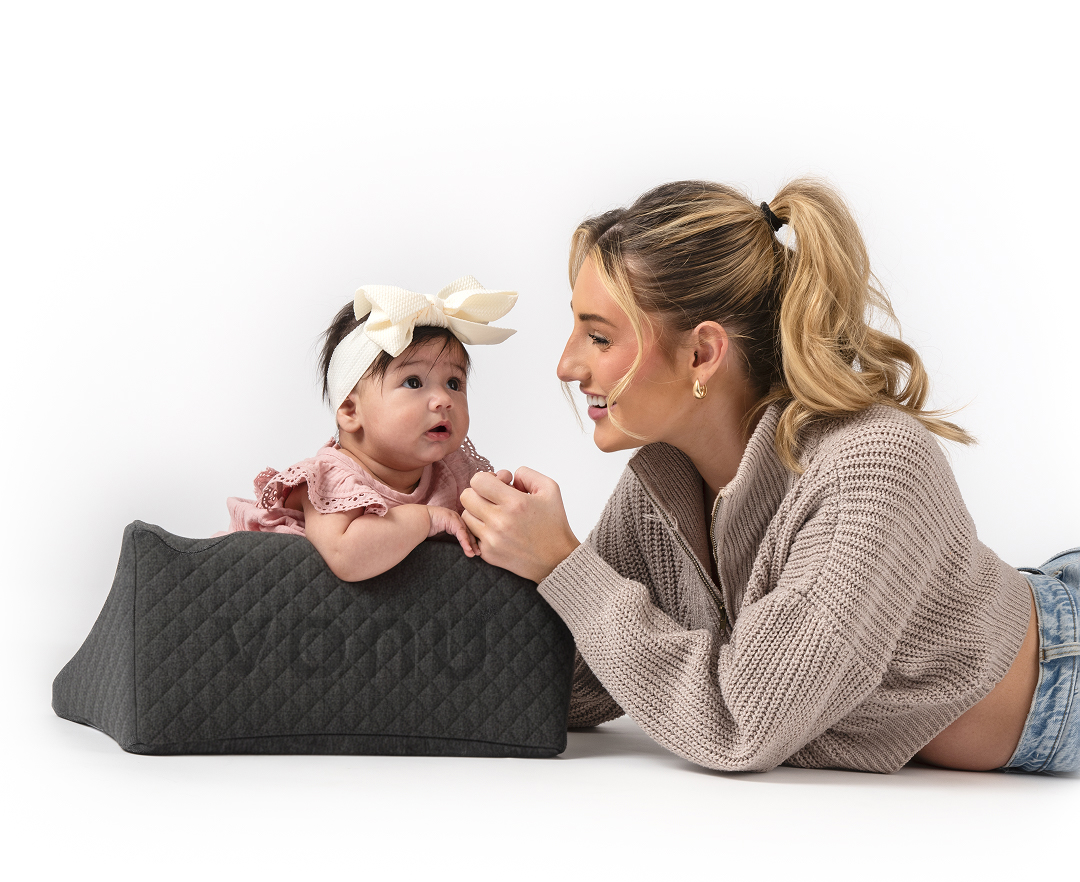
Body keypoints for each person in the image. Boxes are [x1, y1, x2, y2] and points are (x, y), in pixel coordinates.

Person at [460, 180, 1079, 774]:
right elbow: (577, 686)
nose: (567, 365)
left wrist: (565, 567)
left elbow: (740, 724)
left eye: (598, 336)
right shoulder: (666, 480)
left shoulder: (871, 470)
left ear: (703, 352)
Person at [224, 276, 517, 581]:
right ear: (351, 411)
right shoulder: (331, 479)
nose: (444, 400)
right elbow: (345, 556)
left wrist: (495, 504)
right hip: (256, 584)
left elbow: (481, 528)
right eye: (413, 382)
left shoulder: (452, 471)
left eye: (454, 383)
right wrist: (427, 518)